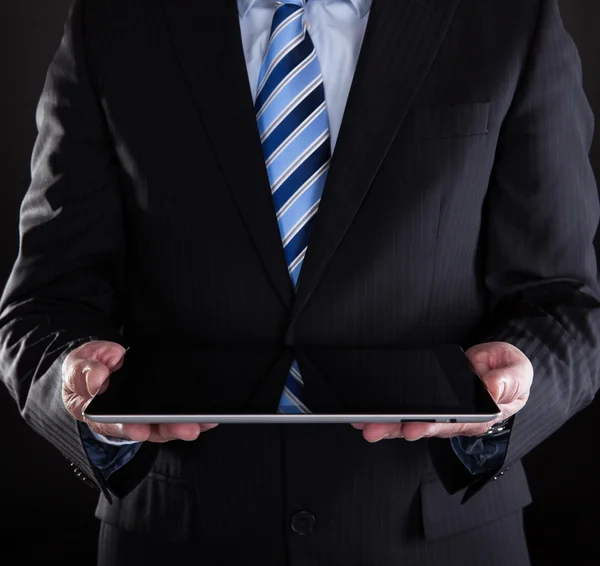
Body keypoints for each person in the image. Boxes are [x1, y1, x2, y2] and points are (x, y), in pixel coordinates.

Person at [1, 0, 599, 564]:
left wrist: (513, 386)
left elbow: (566, 305)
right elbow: (44, 304)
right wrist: (74, 384)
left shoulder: (509, 18)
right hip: (173, 536)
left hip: (439, 539)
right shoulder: (114, 22)